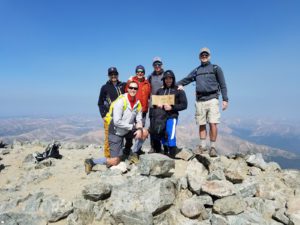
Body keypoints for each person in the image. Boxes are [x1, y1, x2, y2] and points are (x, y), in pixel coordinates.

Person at [85, 81, 148, 173]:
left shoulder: (138, 103)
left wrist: (139, 129)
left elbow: (139, 119)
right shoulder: (121, 101)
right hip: (116, 132)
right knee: (115, 161)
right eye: (131, 88)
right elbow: (117, 122)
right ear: (127, 88)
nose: (133, 90)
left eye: (135, 88)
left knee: (144, 132)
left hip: (127, 130)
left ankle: (133, 154)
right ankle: (91, 161)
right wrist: (133, 127)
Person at [177, 47, 228, 157]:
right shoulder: (197, 70)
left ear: (209, 56)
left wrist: (225, 99)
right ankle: (202, 146)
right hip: (200, 100)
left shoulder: (216, 68)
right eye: (202, 55)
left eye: (206, 55)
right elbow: (187, 79)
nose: (204, 56)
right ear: (199, 57)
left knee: (213, 123)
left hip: (213, 98)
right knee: (201, 123)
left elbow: (223, 84)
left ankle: (213, 147)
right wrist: (173, 85)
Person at [152, 70, 187, 158]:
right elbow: (154, 104)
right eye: (166, 79)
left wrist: (172, 107)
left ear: (173, 79)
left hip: (172, 116)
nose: (168, 80)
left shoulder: (178, 90)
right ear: (163, 80)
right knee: (161, 135)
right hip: (161, 117)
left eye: (170, 78)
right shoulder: (160, 90)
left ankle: (172, 157)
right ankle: (164, 153)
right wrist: (157, 105)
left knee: (170, 135)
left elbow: (184, 105)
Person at [148, 57, 165, 152]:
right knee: (152, 126)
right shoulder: (150, 76)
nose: (157, 66)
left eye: (159, 64)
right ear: (153, 66)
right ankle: (153, 147)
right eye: (155, 64)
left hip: (163, 105)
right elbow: (145, 86)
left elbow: (172, 84)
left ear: (161, 65)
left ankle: (163, 147)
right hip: (152, 105)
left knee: (162, 126)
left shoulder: (166, 75)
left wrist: (179, 86)